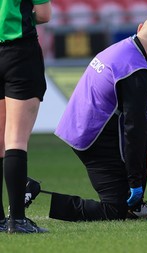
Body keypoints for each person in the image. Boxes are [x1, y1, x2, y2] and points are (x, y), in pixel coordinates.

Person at [26, 14, 147, 222]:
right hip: (93, 137)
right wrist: (135, 182)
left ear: (140, 27)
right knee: (114, 211)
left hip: (77, 125)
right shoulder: (137, 72)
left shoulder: (120, 49)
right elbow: (133, 128)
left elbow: (137, 106)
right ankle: (35, 194)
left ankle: (134, 205)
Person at [0, 0, 51, 233]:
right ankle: (17, 220)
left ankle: (1, 220)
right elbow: (43, 14)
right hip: (19, 52)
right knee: (16, 141)